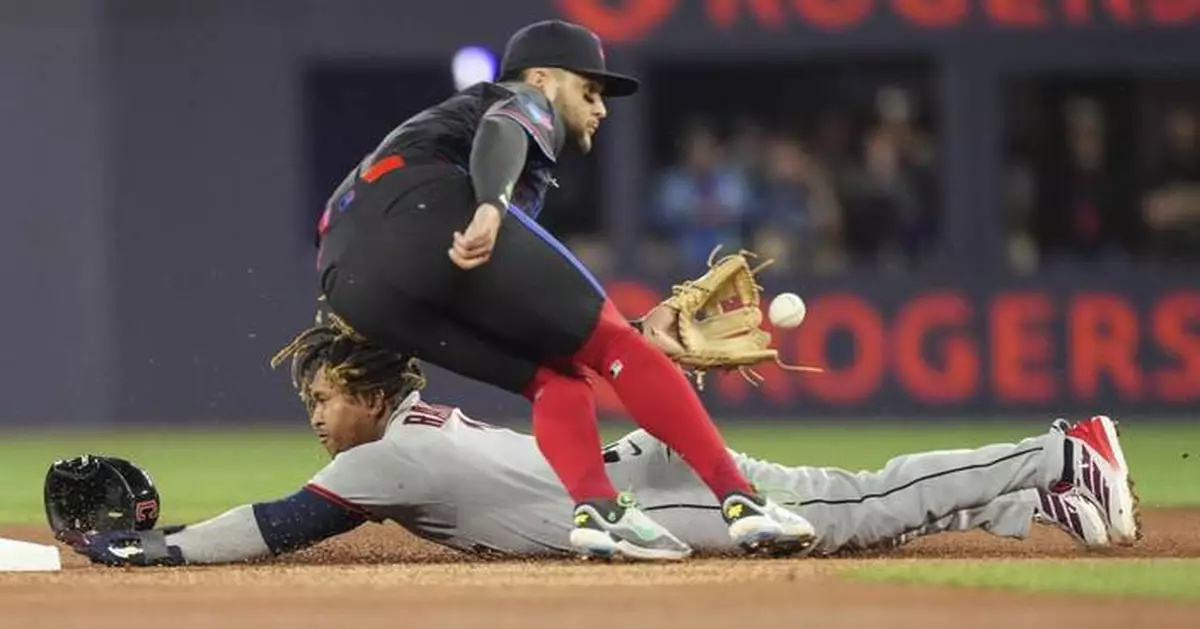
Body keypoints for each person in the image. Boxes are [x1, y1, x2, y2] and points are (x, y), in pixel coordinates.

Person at [310, 18, 811, 560]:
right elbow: (503, 127)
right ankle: (744, 503)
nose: (601, 107)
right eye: (589, 90)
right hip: (423, 209)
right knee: (617, 346)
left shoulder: (466, 142)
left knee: (557, 379)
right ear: (545, 78)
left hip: (347, 280)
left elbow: (548, 317)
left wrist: (636, 336)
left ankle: (599, 512)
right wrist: (489, 205)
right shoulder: (524, 98)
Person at [56, 324, 1140, 568]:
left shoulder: (383, 454)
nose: (313, 412)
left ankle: (1056, 452)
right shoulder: (403, 433)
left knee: (846, 513)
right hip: (631, 475)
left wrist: (158, 552)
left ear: (361, 389)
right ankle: (1024, 498)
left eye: (319, 394)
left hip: (640, 497)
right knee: (845, 503)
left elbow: (282, 524)